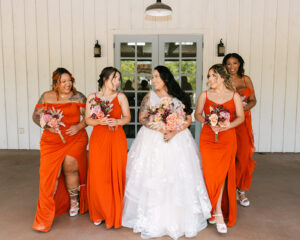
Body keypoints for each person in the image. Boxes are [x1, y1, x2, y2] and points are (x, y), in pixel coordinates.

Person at [122, 66, 211, 240]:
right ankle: (154, 217)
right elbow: (142, 118)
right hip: (153, 139)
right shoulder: (149, 96)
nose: (153, 80)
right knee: (153, 176)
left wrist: (174, 130)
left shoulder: (178, 96)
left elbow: (188, 118)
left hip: (177, 139)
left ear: (165, 78)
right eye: (152, 77)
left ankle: (177, 218)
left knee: (176, 177)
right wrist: (160, 127)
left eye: (156, 76)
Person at [32, 67, 88, 232]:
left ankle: (74, 201)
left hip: (75, 137)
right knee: (50, 176)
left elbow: (88, 116)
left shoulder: (78, 97)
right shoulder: (46, 96)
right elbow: (36, 116)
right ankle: (45, 213)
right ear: (56, 83)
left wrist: (79, 126)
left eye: (69, 80)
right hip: (51, 140)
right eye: (63, 81)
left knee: (70, 166)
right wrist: (48, 125)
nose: (67, 84)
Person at [195, 64, 244, 233]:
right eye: (208, 76)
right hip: (208, 138)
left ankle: (217, 212)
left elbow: (241, 117)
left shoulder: (234, 96)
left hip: (227, 138)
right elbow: (198, 114)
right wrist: (209, 121)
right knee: (210, 173)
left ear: (222, 77)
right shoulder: (204, 95)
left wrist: (227, 125)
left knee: (222, 173)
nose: (209, 80)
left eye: (212, 76)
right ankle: (214, 210)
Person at [86, 67, 131, 228]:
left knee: (115, 172)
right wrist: (99, 121)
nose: (117, 82)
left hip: (116, 138)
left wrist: (116, 121)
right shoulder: (92, 97)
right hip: (98, 138)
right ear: (105, 79)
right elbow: (88, 120)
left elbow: (127, 117)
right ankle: (99, 211)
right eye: (114, 78)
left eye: (119, 79)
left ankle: (114, 211)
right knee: (99, 173)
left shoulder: (120, 97)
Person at [223, 53, 257, 207]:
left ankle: (241, 190)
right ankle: (227, 190)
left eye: (234, 63)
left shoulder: (246, 79)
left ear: (240, 64)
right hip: (228, 123)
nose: (232, 67)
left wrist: (243, 111)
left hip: (243, 123)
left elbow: (253, 100)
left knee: (244, 156)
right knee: (229, 157)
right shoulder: (222, 80)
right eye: (229, 64)